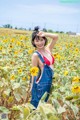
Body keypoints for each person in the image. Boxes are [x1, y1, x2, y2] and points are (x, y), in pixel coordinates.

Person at [30, 26, 58, 108]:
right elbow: (34, 71)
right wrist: (32, 86)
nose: (40, 43)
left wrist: (45, 34)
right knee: (38, 106)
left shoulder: (48, 49)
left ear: (45, 40)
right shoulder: (36, 55)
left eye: (41, 40)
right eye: (37, 41)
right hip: (41, 83)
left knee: (44, 105)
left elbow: (56, 37)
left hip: (49, 82)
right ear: (33, 42)